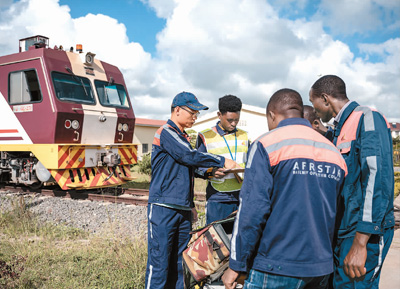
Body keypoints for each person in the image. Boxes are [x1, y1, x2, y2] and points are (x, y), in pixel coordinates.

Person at [222, 88, 348, 289]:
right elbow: (340, 213)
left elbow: (252, 211)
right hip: (321, 268)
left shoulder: (266, 144)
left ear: (272, 115)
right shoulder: (333, 152)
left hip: (276, 266)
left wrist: (236, 265)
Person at [145, 92, 239, 289]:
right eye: (192, 112)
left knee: (181, 263)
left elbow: (188, 168)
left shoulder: (182, 136)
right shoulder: (166, 132)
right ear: (177, 110)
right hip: (163, 207)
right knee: (159, 262)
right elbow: (188, 156)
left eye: (197, 113)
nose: (195, 117)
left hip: (182, 208)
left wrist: (209, 173)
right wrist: (222, 161)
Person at [309, 75, 395, 289]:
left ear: (325, 98)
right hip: (345, 229)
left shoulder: (367, 118)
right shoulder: (339, 129)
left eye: (314, 103)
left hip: (364, 232)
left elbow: (376, 179)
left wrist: (361, 241)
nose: (315, 110)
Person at [196, 95, 249, 224]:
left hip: (241, 198)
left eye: (237, 120)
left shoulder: (244, 135)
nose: (234, 123)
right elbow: (196, 167)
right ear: (219, 115)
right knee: (217, 242)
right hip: (218, 199)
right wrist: (211, 172)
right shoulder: (205, 137)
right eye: (230, 120)